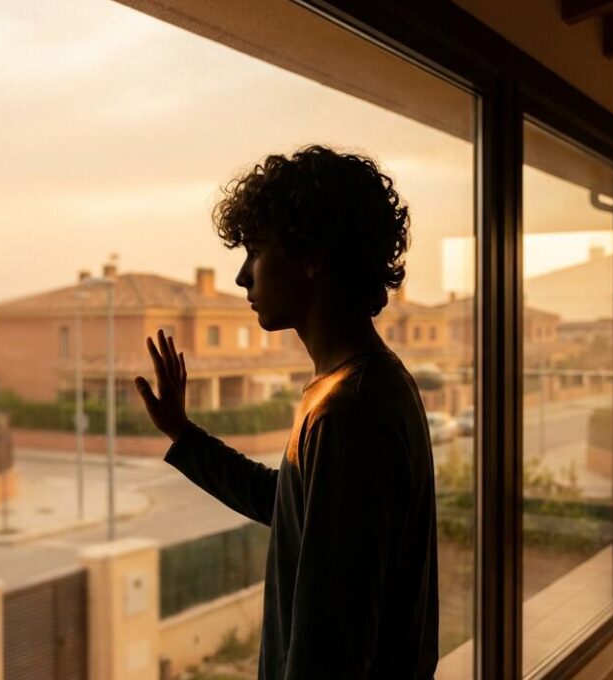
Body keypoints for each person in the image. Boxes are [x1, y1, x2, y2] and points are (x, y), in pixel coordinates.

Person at [134, 145, 438, 679]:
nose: (242, 277)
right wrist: (183, 434)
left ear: (311, 255)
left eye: (255, 250)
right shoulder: (356, 387)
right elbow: (288, 503)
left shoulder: (352, 412)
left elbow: (333, 650)